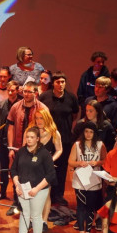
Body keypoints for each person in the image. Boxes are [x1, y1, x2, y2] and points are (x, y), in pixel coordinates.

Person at [11, 127, 55, 233]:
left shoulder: (44, 153)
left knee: (36, 215)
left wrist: (36, 189)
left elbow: (51, 175)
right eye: (27, 137)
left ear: (37, 139)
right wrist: (17, 185)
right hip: (23, 189)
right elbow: (13, 170)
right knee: (24, 214)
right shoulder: (21, 151)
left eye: (32, 137)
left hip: (39, 189)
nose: (29, 139)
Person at [38, 71, 79, 206]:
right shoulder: (44, 97)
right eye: (58, 82)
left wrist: (69, 128)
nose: (60, 84)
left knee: (61, 168)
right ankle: (45, 193)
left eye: (63, 82)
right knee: (46, 167)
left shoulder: (71, 98)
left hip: (65, 138)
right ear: (53, 83)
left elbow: (75, 115)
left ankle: (58, 195)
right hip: (47, 139)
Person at [68, 122, 106, 233]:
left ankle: (88, 231)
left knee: (91, 207)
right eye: (86, 131)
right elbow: (70, 161)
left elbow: (105, 160)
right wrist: (79, 163)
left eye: (91, 132)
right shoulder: (77, 145)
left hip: (94, 180)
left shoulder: (100, 145)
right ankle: (81, 232)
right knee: (81, 206)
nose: (88, 134)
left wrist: (97, 163)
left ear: (95, 133)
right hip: (80, 180)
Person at [25, 109, 61, 230]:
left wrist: (50, 160)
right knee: (31, 193)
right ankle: (32, 219)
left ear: (47, 118)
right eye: (37, 118)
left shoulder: (54, 133)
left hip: (46, 169)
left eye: (41, 118)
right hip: (32, 167)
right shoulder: (30, 131)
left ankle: (44, 221)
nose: (39, 121)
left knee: (46, 195)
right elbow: (24, 148)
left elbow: (59, 150)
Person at [0, 81, 22, 205]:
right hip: (3, 141)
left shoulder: (21, 104)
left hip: (18, 142)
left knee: (17, 169)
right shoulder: (2, 105)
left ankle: (17, 194)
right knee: (4, 168)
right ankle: (2, 191)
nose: (11, 92)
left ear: (17, 90)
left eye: (13, 90)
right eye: (9, 90)